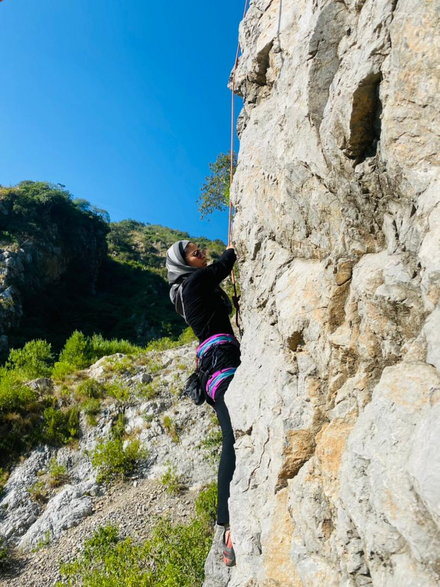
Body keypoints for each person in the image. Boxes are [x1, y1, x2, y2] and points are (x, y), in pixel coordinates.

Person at [166, 240, 240, 567]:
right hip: (220, 363)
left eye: (199, 248)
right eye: (193, 251)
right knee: (233, 437)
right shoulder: (193, 282)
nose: (200, 252)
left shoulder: (190, 290)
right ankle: (227, 527)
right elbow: (222, 267)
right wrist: (234, 249)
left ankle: (225, 523)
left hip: (214, 364)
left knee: (233, 436)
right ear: (182, 263)